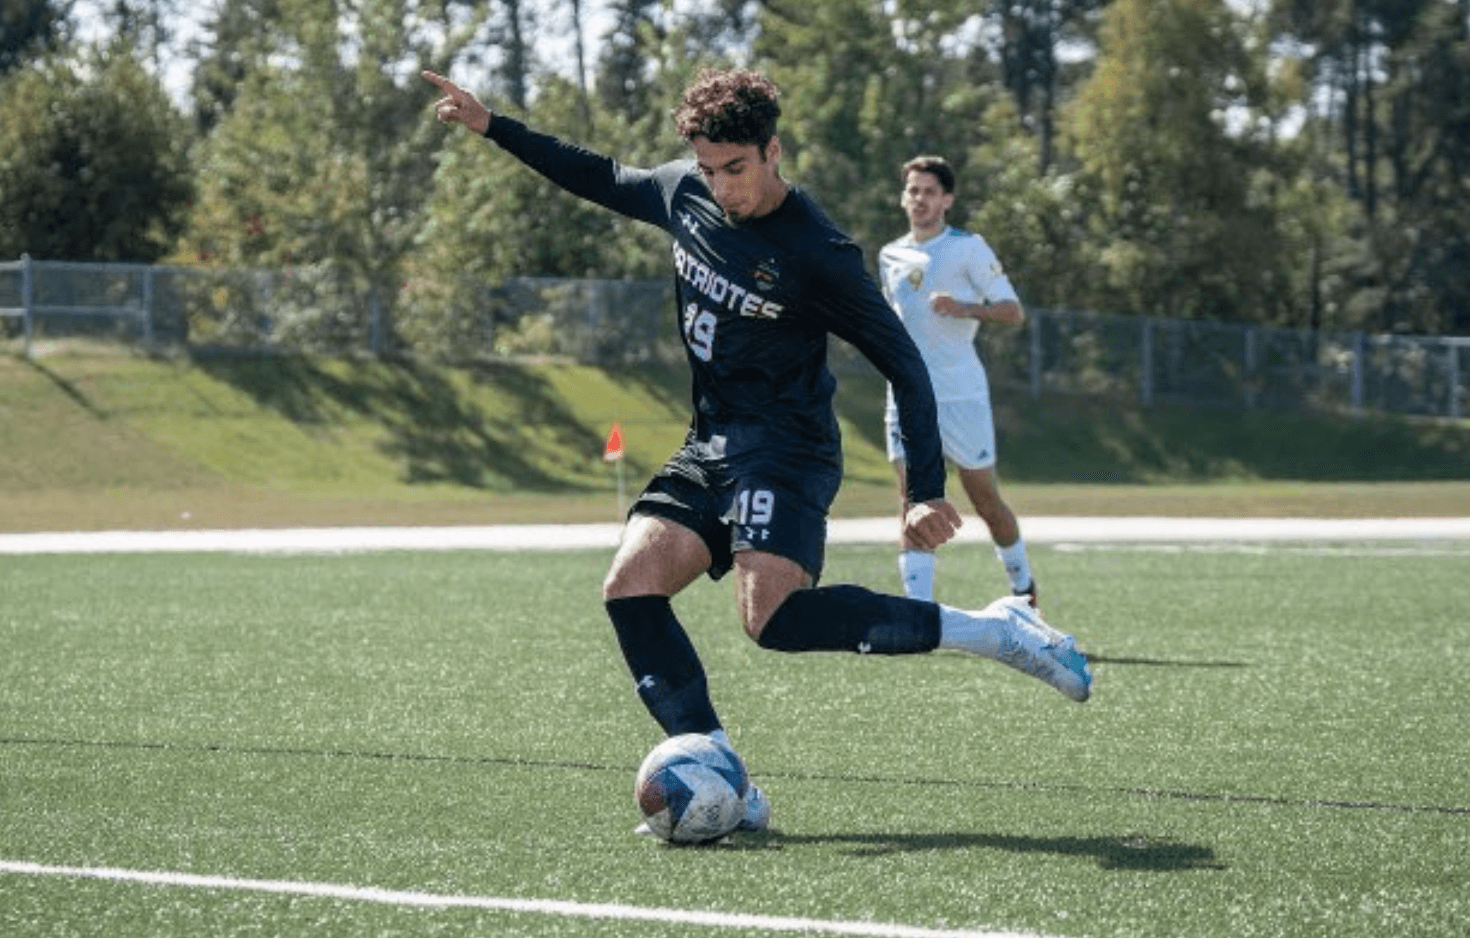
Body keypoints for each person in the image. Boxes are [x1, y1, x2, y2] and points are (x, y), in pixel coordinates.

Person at [424, 68, 1091, 836]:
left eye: (735, 169)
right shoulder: (686, 194)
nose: (722, 186)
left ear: (773, 151)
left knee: (768, 621)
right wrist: (491, 125)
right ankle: (724, 773)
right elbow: (600, 175)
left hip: (788, 448)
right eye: (709, 169)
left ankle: (999, 629)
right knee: (629, 587)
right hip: (709, 440)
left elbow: (903, 362)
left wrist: (923, 491)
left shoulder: (820, 252)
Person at [878, 155, 1038, 607]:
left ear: (947, 200)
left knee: (983, 497)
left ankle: (1025, 592)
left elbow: (1012, 312)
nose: (920, 199)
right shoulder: (890, 255)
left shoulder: (969, 248)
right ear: (903, 197)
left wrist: (965, 307)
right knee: (912, 500)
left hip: (962, 394)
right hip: (907, 395)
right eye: (913, 190)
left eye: (930, 191)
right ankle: (918, 613)